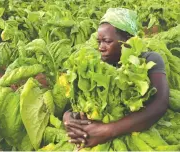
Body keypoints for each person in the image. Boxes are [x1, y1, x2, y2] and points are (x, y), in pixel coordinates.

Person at [63, 8, 169, 148]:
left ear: (127, 40)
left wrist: (107, 131)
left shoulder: (149, 58)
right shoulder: (99, 64)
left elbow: (160, 103)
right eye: (99, 42)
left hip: (139, 128)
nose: (101, 47)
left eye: (107, 41)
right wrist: (69, 118)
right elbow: (73, 104)